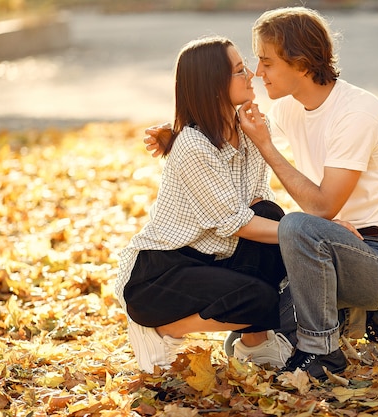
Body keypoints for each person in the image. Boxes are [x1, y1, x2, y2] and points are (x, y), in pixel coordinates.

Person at [146, 6, 378, 381]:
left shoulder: (357, 114)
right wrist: (177, 132)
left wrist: (268, 147)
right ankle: (353, 313)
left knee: (296, 227)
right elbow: (220, 123)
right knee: (252, 336)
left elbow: (322, 206)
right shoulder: (290, 108)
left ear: (301, 63)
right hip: (327, 248)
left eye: (266, 62)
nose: (257, 72)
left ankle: (324, 353)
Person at [115, 36, 294, 374]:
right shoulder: (193, 146)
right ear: (213, 83)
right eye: (240, 70)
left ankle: (254, 346)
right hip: (160, 274)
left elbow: (257, 202)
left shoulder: (254, 128)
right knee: (261, 299)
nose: (252, 74)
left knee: (270, 214)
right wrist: (310, 232)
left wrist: (296, 228)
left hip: (214, 258)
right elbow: (236, 222)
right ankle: (162, 329)